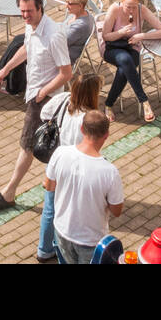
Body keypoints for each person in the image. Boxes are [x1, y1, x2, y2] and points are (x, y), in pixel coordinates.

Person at [0, 0, 72, 211]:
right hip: (35, 94)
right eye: (22, 11)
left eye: (29, 11)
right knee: (49, 147)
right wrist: (4, 69)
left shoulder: (54, 35)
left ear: (40, 8)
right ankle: (67, 187)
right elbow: (26, 48)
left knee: (28, 145)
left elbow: (66, 73)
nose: (25, 16)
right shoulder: (31, 26)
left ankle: (8, 193)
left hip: (45, 99)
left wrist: (43, 92)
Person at [36, 72, 106, 262]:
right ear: (93, 94)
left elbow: (44, 113)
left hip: (57, 162)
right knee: (68, 211)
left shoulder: (63, 99)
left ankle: (43, 249)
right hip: (76, 169)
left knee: (50, 206)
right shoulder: (90, 118)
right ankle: (62, 249)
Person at [43, 112, 124, 264]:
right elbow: (116, 211)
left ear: (81, 129)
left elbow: (49, 186)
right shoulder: (110, 172)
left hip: (62, 231)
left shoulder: (60, 153)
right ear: (106, 135)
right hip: (91, 241)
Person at [98, 0, 161, 120]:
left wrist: (142, 35)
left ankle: (108, 105)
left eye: (134, 7)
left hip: (132, 48)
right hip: (112, 47)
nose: (131, 11)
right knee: (125, 61)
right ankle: (144, 101)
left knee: (124, 69)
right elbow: (105, 36)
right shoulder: (115, 9)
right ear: (122, 2)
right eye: (128, 7)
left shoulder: (142, 10)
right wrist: (121, 32)